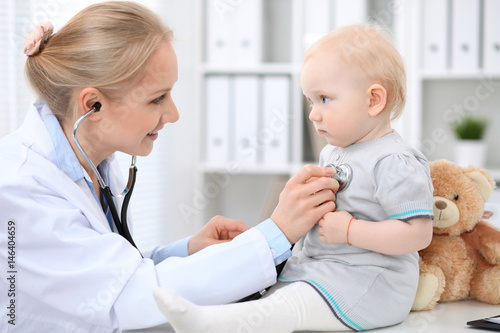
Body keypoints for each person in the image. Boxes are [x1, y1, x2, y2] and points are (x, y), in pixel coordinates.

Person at [0, 2, 339, 332]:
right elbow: (125, 297)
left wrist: (187, 251)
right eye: (157, 98)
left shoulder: (93, 164)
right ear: (93, 104)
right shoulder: (20, 188)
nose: (173, 114)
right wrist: (277, 233)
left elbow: (104, 270)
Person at [153, 24, 435, 332]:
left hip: (372, 282)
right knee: (263, 291)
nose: (313, 113)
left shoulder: (395, 160)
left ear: (373, 100)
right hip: (321, 270)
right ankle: (208, 314)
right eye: (311, 101)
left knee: (294, 304)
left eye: (324, 99)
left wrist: (351, 230)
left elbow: (417, 235)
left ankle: (207, 323)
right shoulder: (333, 152)